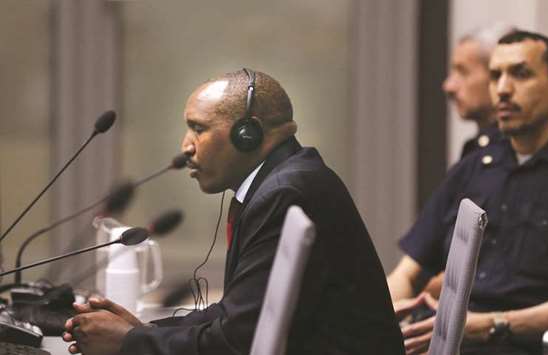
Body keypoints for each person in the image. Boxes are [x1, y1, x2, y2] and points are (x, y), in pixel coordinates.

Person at [62, 69, 405, 355]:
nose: (186, 146)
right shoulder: (281, 182)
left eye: (198, 128)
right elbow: (237, 316)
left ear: (247, 134)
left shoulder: (286, 193)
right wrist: (141, 329)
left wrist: (129, 342)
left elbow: (237, 340)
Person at [388, 30, 548, 355]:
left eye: (520, 74)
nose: (503, 89)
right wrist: (382, 318)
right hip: (443, 341)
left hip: (514, 344)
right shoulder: (476, 164)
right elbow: (407, 273)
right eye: (496, 75)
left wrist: (492, 323)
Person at [418, 24, 517, 299]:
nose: (448, 85)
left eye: (463, 71)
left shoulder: (515, 165)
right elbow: (415, 262)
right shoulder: (474, 155)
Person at [444, 23, 516, 159]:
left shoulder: (516, 156)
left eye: (463, 72)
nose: (449, 86)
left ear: (499, 77)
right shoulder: (476, 149)